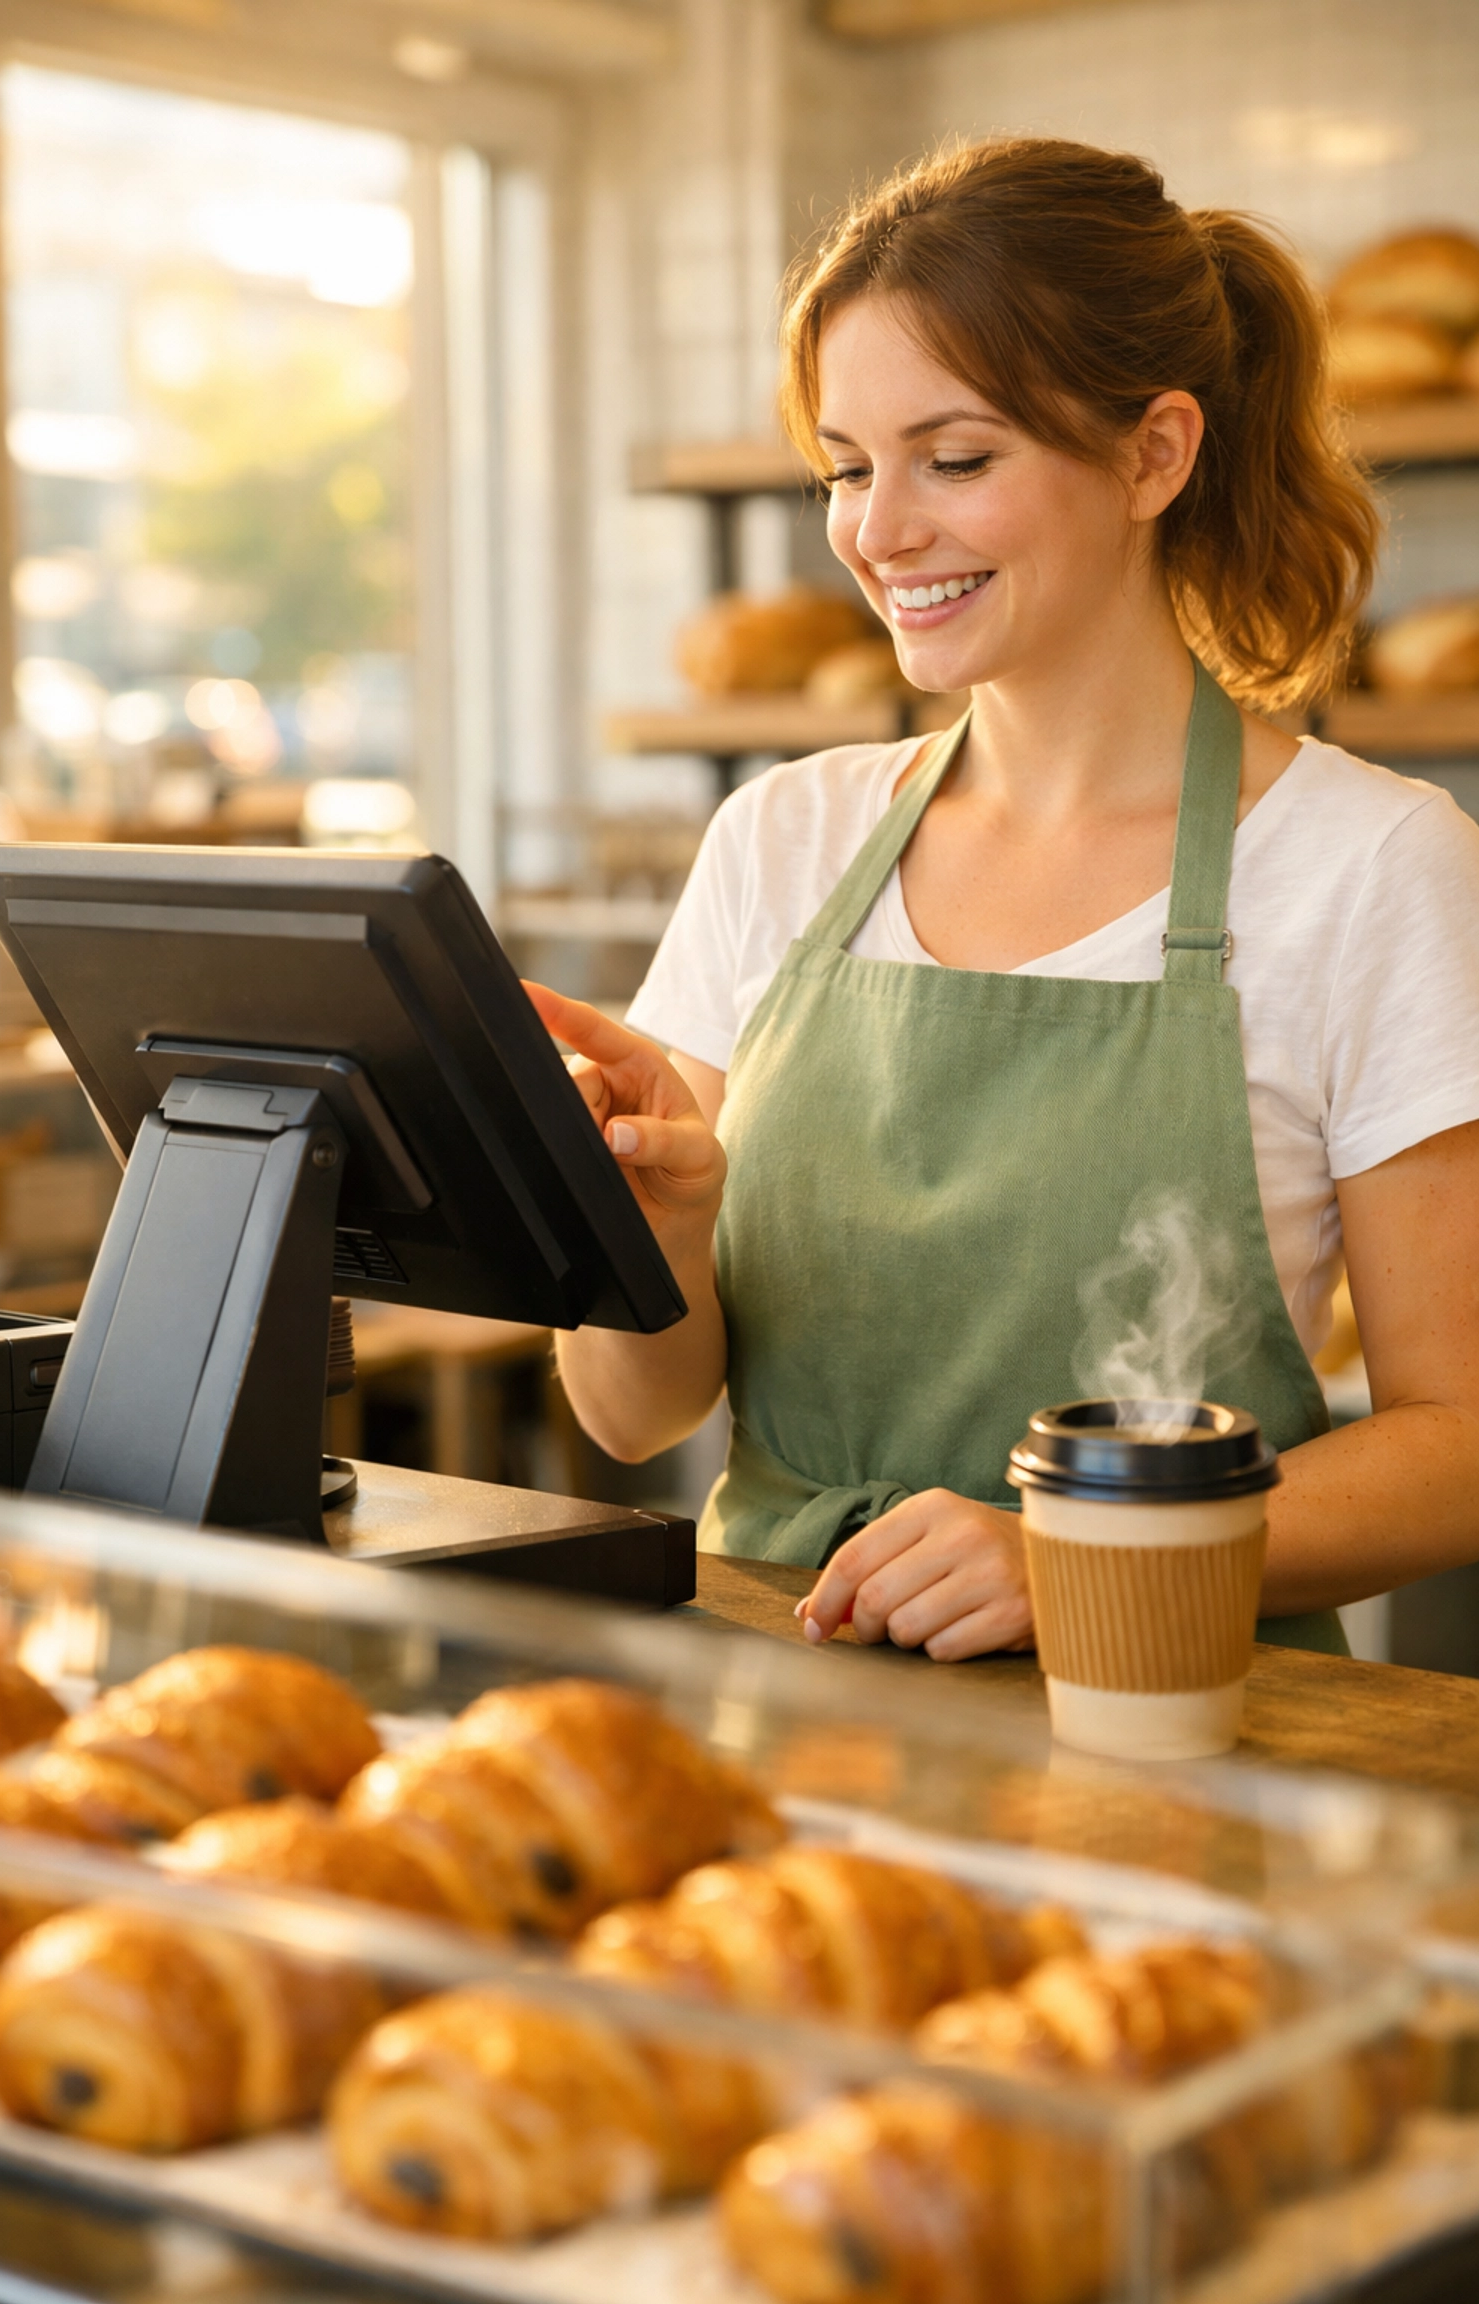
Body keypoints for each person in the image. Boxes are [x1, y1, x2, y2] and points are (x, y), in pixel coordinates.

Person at [529, 136, 1479, 1663]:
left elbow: (1460, 1442)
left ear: (1155, 455)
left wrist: (1085, 1558)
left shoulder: (1370, 866)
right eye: (847, 467)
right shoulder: (782, 836)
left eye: (954, 459)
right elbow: (636, 1412)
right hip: (784, 1702)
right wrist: (661, 1226)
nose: (878, 532)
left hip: (1171, 1726)